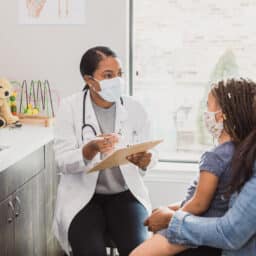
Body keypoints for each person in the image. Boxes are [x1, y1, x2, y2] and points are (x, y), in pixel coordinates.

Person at [130, 78, 256, 256]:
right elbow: (216, 199)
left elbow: (200, 203)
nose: (205, 113)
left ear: (221, 116)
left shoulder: (215, 157)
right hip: (206, 224)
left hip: (196, 224)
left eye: (208, 106)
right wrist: (171, 209)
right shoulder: (242, 153)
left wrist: (173, 218)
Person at [53, 46, 157, 256]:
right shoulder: (69, 107)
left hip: (125, 194)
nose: (117, 80)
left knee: (139, 250)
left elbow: (150, 153)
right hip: (84, 199)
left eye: (119, 74)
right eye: (108, 75)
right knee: (90, 251)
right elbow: (62, 160)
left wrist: (145, 160)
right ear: (90, 80)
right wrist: (88, 150)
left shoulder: (135, 108)